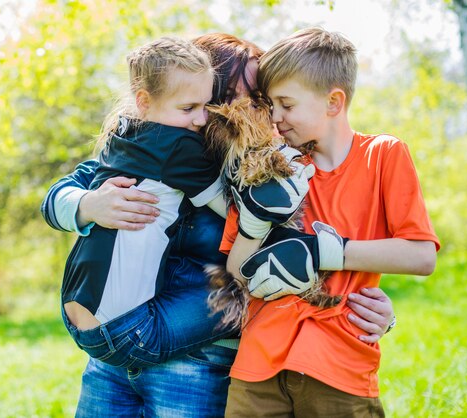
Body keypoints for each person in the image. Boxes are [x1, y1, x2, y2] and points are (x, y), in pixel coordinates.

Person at [42, 33, 396, 417]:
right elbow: (62, 192)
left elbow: (311, 247)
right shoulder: (156, 139)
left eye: (260, 98)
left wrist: (369, 310)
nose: (252, 109)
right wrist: (88, 204)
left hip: (199, 363)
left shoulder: (274, 169)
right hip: (113, 355)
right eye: (234, 96)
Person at [219, 28, 440, 417]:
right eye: (270, 104)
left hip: (339, 364)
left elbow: (421, 256)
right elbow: (237, 269)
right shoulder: (269, 167)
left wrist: (323, 252)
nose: (276, 117)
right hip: (257, 365)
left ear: (334, 102)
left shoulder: (383, 156)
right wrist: (256, 224)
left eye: (286, 104)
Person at [59, 36, 241, 369]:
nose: (201, 119)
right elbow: (238, 214)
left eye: (206, 106)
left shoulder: (121, 133)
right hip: (129, 330)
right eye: (188, 108)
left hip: (75, 309)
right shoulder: (179, 146)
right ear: (144, 100)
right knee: (254, 298)